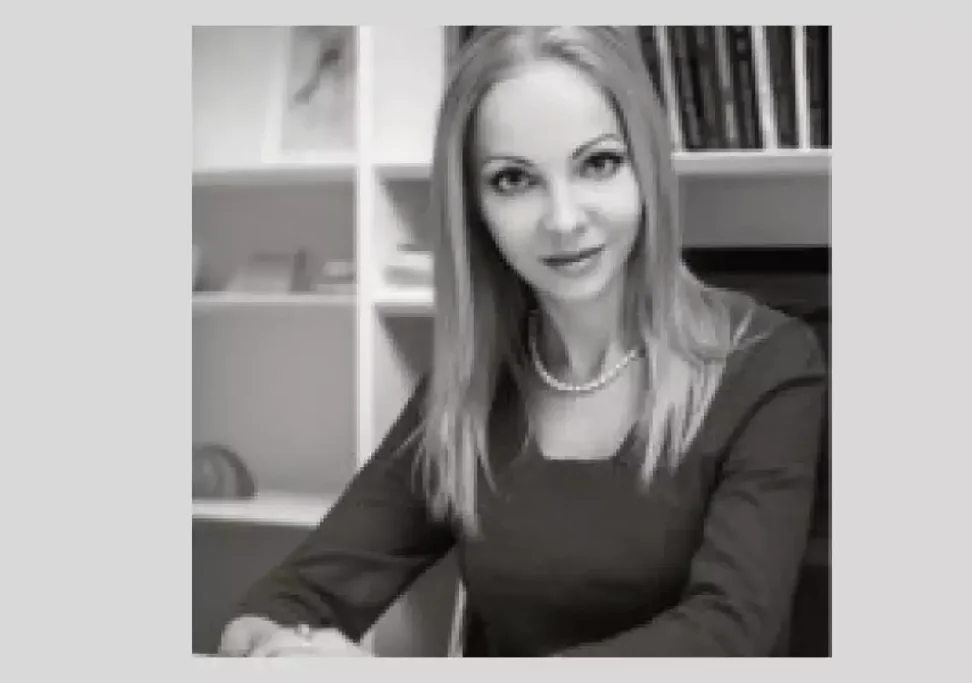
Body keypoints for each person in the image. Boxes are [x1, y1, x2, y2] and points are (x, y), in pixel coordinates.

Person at [217, 25, 827, 658]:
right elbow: (291, 597)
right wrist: (268, 647)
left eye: (598, 164)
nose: (563, 219)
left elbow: (727, 636)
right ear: (474, 207)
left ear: (647, 170)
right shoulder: (470, 390)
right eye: (513, 179)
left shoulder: (768, 361)